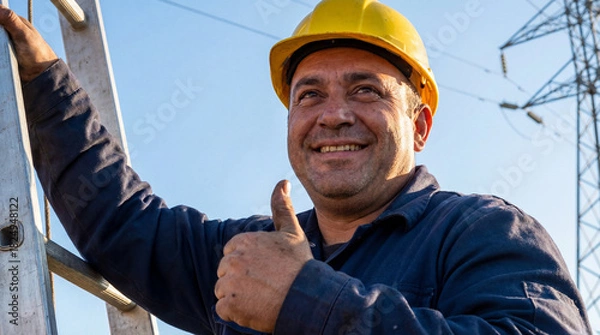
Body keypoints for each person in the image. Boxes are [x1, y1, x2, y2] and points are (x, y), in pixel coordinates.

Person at [0, 0, 593, 333]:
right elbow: (126, 225)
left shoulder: (481, 232)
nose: (333, 116)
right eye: (309, 95)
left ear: (419, 125)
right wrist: (45, 82)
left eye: (365, 91)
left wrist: (307, 300)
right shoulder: (250, 254)